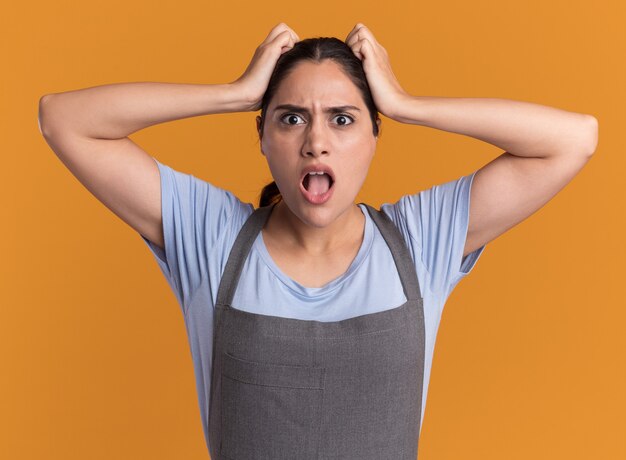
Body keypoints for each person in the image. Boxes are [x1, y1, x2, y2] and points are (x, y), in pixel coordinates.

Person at [38, 22, 598, 460]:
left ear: (376, 137)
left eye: (344, 119)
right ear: (261, 137)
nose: (316, 142)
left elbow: (574, 139)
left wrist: (406, 105)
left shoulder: (418, 241)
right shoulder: (211, 235)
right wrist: (233, 94)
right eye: (290, 118)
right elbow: (63, 118)